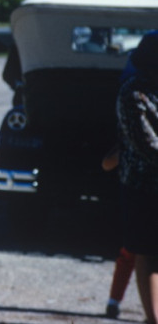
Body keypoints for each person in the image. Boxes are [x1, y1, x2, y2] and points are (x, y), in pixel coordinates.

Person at [115, 30, 158, 324]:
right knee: (146, 252)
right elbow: (147, 145)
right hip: (144, 187)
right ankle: (153, 317)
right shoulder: (133, 93)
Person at [102, 143, 136, 319]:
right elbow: (107, 163)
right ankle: (114, 301)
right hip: (139, 195)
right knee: (131, 252)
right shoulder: (133, 135)